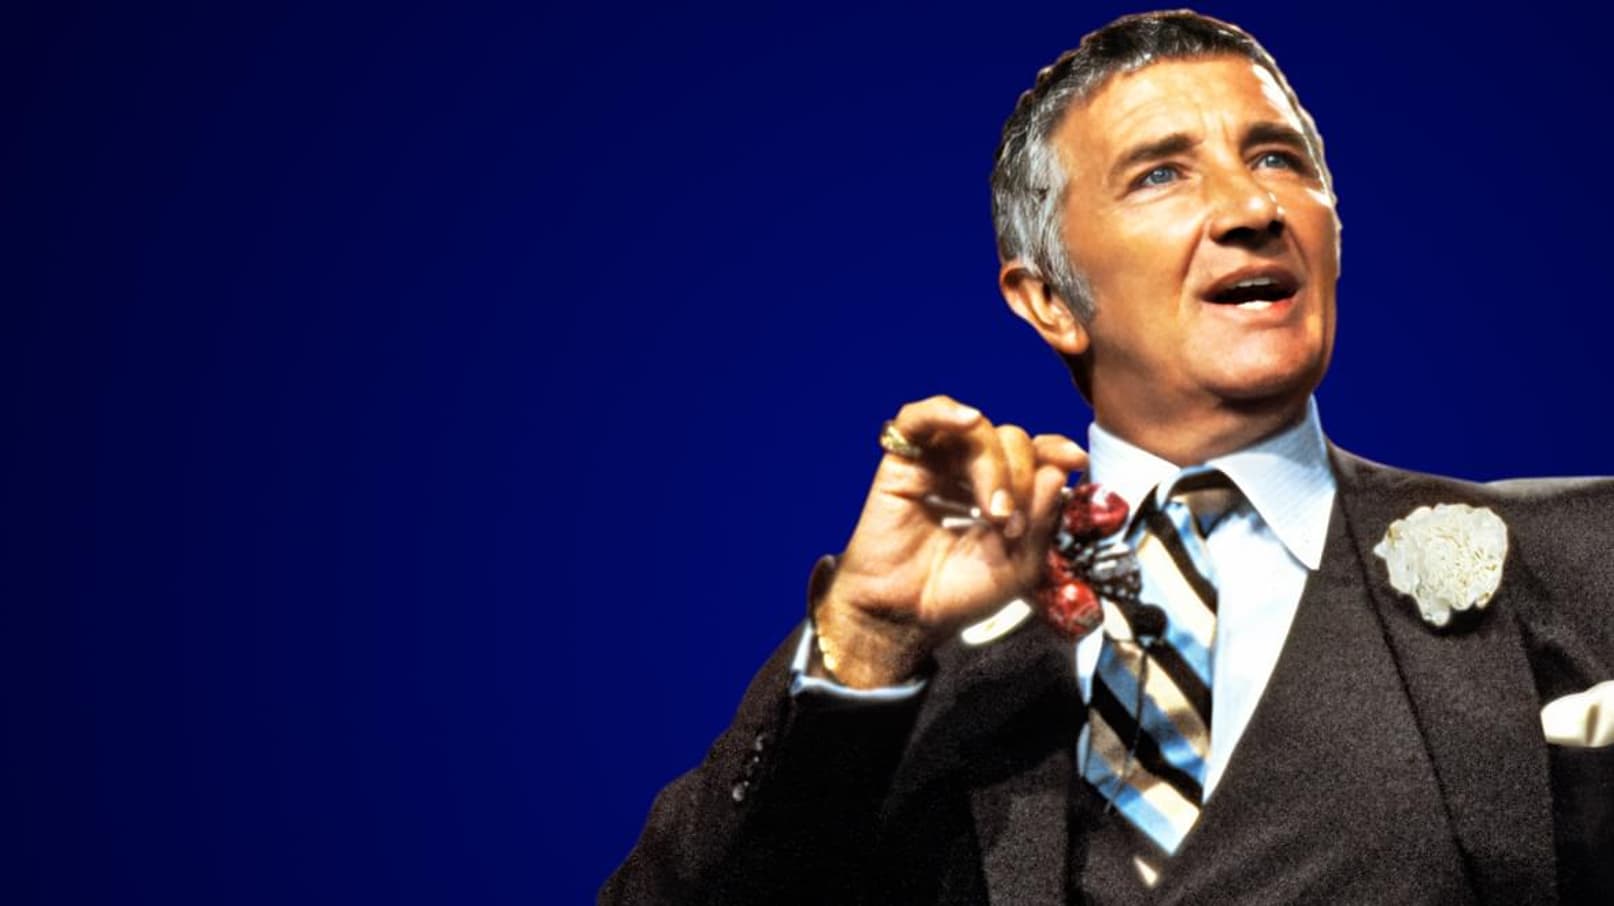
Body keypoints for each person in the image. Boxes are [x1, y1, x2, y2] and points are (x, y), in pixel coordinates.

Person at [602, 11, 1614, 904]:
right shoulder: (915, 656)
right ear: (1048, 299)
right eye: (1162, 173)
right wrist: (868, 639)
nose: (1253, 208)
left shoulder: (1582, 558)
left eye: (1278, 158)